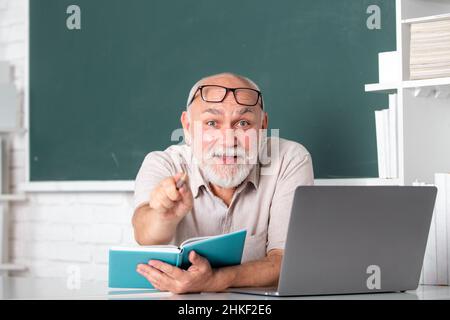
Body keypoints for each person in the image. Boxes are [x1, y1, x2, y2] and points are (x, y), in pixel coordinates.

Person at [132, 72, 314, 293]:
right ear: (187, 127)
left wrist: (217, 279)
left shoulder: (289, 159)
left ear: (263, 126)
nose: (228, 140)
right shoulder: (163, 164)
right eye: (211, 123)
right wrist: (162, 216)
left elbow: (287, 262)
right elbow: (144, 234)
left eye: (243, 123)